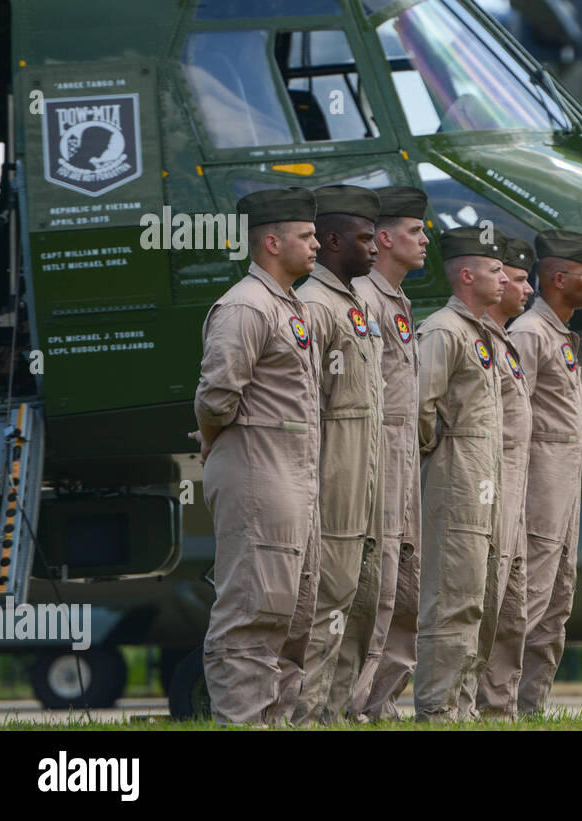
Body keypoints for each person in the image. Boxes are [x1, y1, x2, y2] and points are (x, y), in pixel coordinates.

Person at [192, 187, 321, 726]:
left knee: (292, 614)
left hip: (291, 476)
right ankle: (242, 720)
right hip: (257, 472)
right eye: (307, 236)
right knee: (252, 610)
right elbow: (216, 396)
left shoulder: (285, 305)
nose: (317, 244)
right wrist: (212, 440)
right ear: (272, 241)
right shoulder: (246, 305)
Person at [290, 185, 384, 725]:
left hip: (363, 478)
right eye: (364, 238)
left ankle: (336, 713)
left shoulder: (356, 305)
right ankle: (307, 715)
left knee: (356, 605)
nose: (374, 248)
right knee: (326, 604)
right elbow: (307, 404)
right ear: (330, 240)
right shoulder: (316, 306)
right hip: (333, 480)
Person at [413, 226, 508, 722]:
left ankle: (461, 706)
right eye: (495, 269)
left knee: (475, 598)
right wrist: (439, 451)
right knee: (452, 598)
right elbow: (419, 405)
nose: (504, 278)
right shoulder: (445, 330)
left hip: (481, 476)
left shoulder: (479, 332)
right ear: (468, 274)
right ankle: (436, 707)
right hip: (457, 475)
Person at [509, 229, 582, 716]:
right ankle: (492, 706)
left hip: (562, 488)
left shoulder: (559, 335)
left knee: (555, 603)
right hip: (537, 488)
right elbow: (509, 413)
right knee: (528, 599)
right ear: (559, 279)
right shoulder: (529, 334)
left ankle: (530, 709)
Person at [350, 186, 429, 720]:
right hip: (371, 450)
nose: (425, 241)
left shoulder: (398, 302)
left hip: (402, 453)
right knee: (368, 582)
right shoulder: (361, 297)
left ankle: (380, 702)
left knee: (405, 585)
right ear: (383, 239)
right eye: (414, 231)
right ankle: (346, 702)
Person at [469, 237, 535, 718]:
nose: (525, 289)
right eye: (517, 278)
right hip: (482, 488)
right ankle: (458, 708)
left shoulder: (507, 342)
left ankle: (498, 710)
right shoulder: (471, 337)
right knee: (478, 604)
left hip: (512, 490)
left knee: (511, 611)